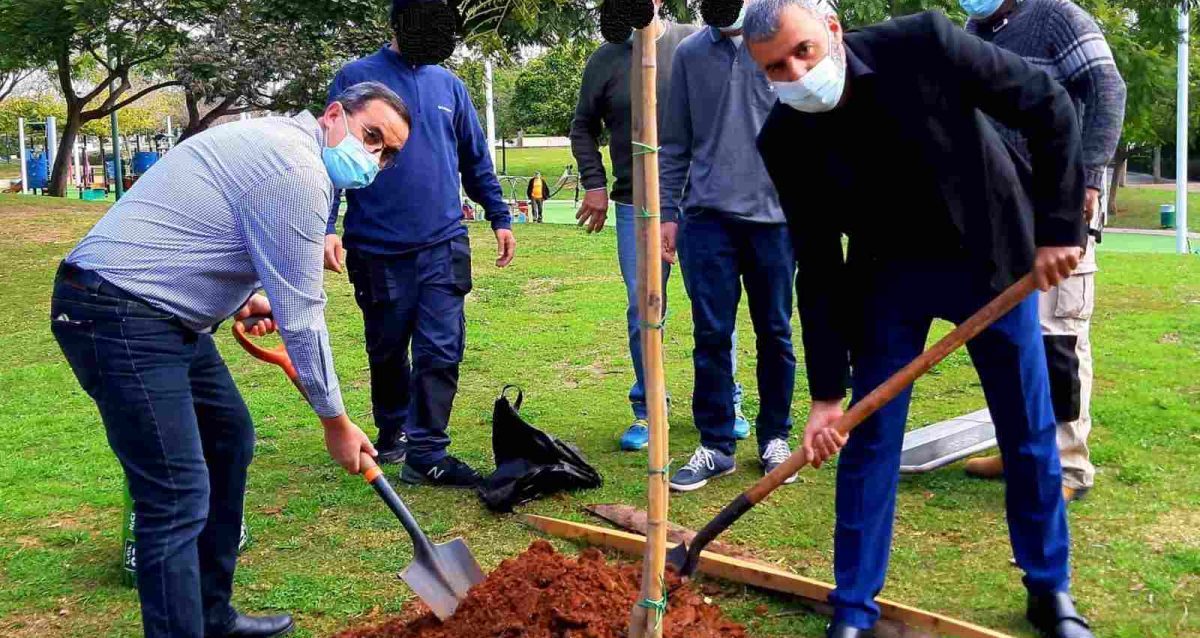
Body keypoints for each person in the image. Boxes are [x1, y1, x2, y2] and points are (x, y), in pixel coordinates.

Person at [745, 2, 1094, 637]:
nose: (795, 71)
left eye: (803, 51)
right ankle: (852, 610)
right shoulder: (784, 139)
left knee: (1027, 428)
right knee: (870, 439)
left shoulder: (927, 43)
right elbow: (818, 265)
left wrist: (1059, 229)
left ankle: (1049, 591)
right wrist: (826, 395)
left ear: (831, 28)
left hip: (992, 259)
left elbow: (1049, 104)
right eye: (775, 67)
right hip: (888, 277)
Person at [51, 82, 409, 638]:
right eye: (370, 136)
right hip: (117, 312)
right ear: (334, 114)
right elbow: (303, 316)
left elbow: (196, 230)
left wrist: (241, 299)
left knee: (229, 438)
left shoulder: (282, 147)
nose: (373, 157)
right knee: (175, 494)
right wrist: (336, 423)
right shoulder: (298, 170)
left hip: (161, 315)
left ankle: (211, 617)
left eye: (386, 153)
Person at [324, 0, 515, 486]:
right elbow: (327, 154)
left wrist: (499, 214)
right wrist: (326, 226)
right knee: (387, 348)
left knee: (441, 347)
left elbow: (474, 158)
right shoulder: (356, 77)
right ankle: (393, 432)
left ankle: (427, 449)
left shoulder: (449, 85)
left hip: (442, 244)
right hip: (377, 248)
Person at [957, 0, 1126, 504]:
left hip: (1061, 205)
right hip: (1004, 211)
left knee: (1059, 338)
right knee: (1012, 338)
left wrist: (1090, 178)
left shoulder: (1057, 15)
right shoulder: (975, 28)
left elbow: (1108, 89)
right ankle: (1020, 449)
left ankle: (1068, 466)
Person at [570, 0, 751, 451]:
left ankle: (726, 402)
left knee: (714, 307)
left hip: (701, 204)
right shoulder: (607, 56)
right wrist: (594, 184)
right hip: (636, 205)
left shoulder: (693, 42)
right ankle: (648, 409)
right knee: (643, 310)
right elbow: (582, 127)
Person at [659, 2, 798, 492]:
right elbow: (674, 142)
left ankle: (775, 437)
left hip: (776, 221)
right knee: (711, 336)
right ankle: (716, 445)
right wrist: (669, 216)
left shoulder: (781, 40)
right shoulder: (692, 54)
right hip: (707, 220)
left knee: (775, 333)